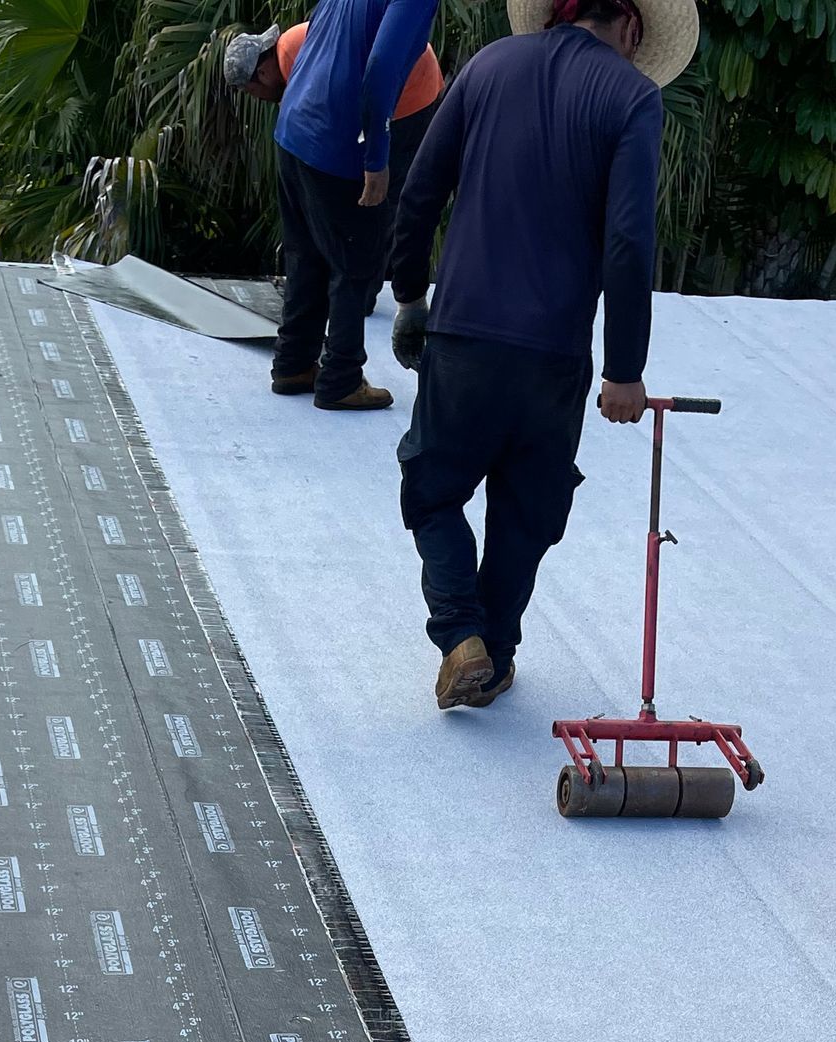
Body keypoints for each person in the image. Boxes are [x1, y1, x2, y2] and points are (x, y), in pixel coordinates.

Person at [386, 0, 700, 709]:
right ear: (630, 26)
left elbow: (422, 191)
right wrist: (624, 368)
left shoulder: (488, 66)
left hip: (463, 338)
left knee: (433, 491)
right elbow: (627, 243)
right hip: (554, 355)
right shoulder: (632, 98)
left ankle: (463, 638)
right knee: (527, 511)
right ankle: (491, 651)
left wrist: (410, 297)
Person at [224, 0, 440, 412]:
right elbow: (380, 73)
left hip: (293, 131)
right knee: (355, 263)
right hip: (337, 141)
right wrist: (376, 159)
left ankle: (293, 365)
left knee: (306, 255)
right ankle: (341, 378)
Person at [225, 20, 445, 295]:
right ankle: (352, 285)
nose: (256, 98)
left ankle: (364, 293)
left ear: (263, 72)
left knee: (381, 198)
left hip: (409, 94)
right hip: (397, 75)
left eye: (250, 91)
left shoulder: (296, 62)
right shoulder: (288, 53)